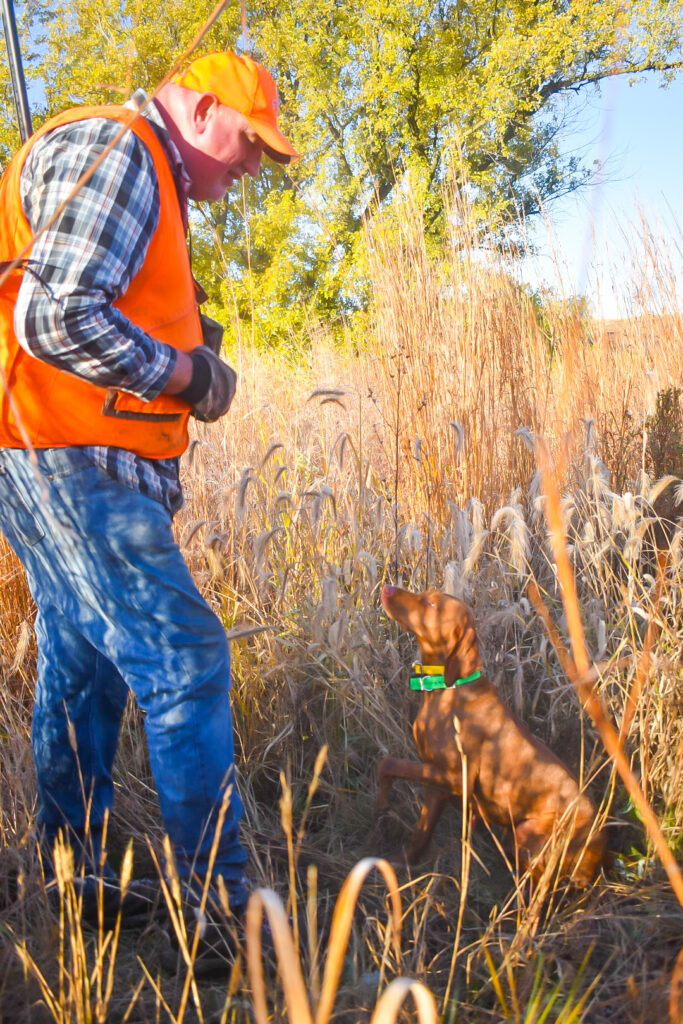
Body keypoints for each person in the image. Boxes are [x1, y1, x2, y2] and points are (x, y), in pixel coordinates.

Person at [0, 51, 299, 937]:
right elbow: (53, 316)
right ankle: (223, 921)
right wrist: (184, 371)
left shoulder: (135, 166)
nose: (249, 168)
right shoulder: (126, 149)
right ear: (203, 109)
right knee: (186, 659)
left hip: (46, 450)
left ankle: (77, 881)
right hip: (71, 457)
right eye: (249, 144)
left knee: (83, 662)